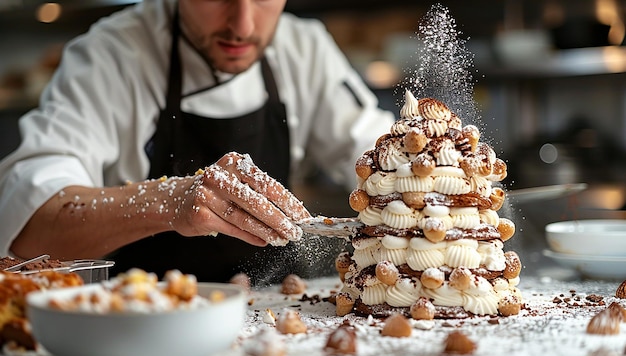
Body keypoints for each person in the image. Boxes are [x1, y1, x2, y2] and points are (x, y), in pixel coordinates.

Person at [0, 0, 394, 283]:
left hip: (282, 318)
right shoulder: (110, 56)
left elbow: (387, 163)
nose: (242, 24)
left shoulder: (303, 48)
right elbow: (31, 227)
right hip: (147, 322)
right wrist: (170, 200)